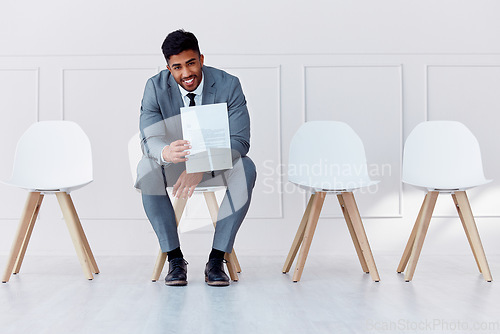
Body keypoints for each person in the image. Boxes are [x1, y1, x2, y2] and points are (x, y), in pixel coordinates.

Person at [135, 29, 256, 287]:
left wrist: (202, 166)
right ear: (168, 68)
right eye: (177, 67)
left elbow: (240, 141)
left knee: (246, 167)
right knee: (146, 167)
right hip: (174, 165)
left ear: (201, 58)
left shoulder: (228, 84)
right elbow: (149, 139)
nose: (186, 73)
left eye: (191, 63)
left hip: (217, 164)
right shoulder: (154, 88)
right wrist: (164, 152)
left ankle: (216, 259)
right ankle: (175, 259)